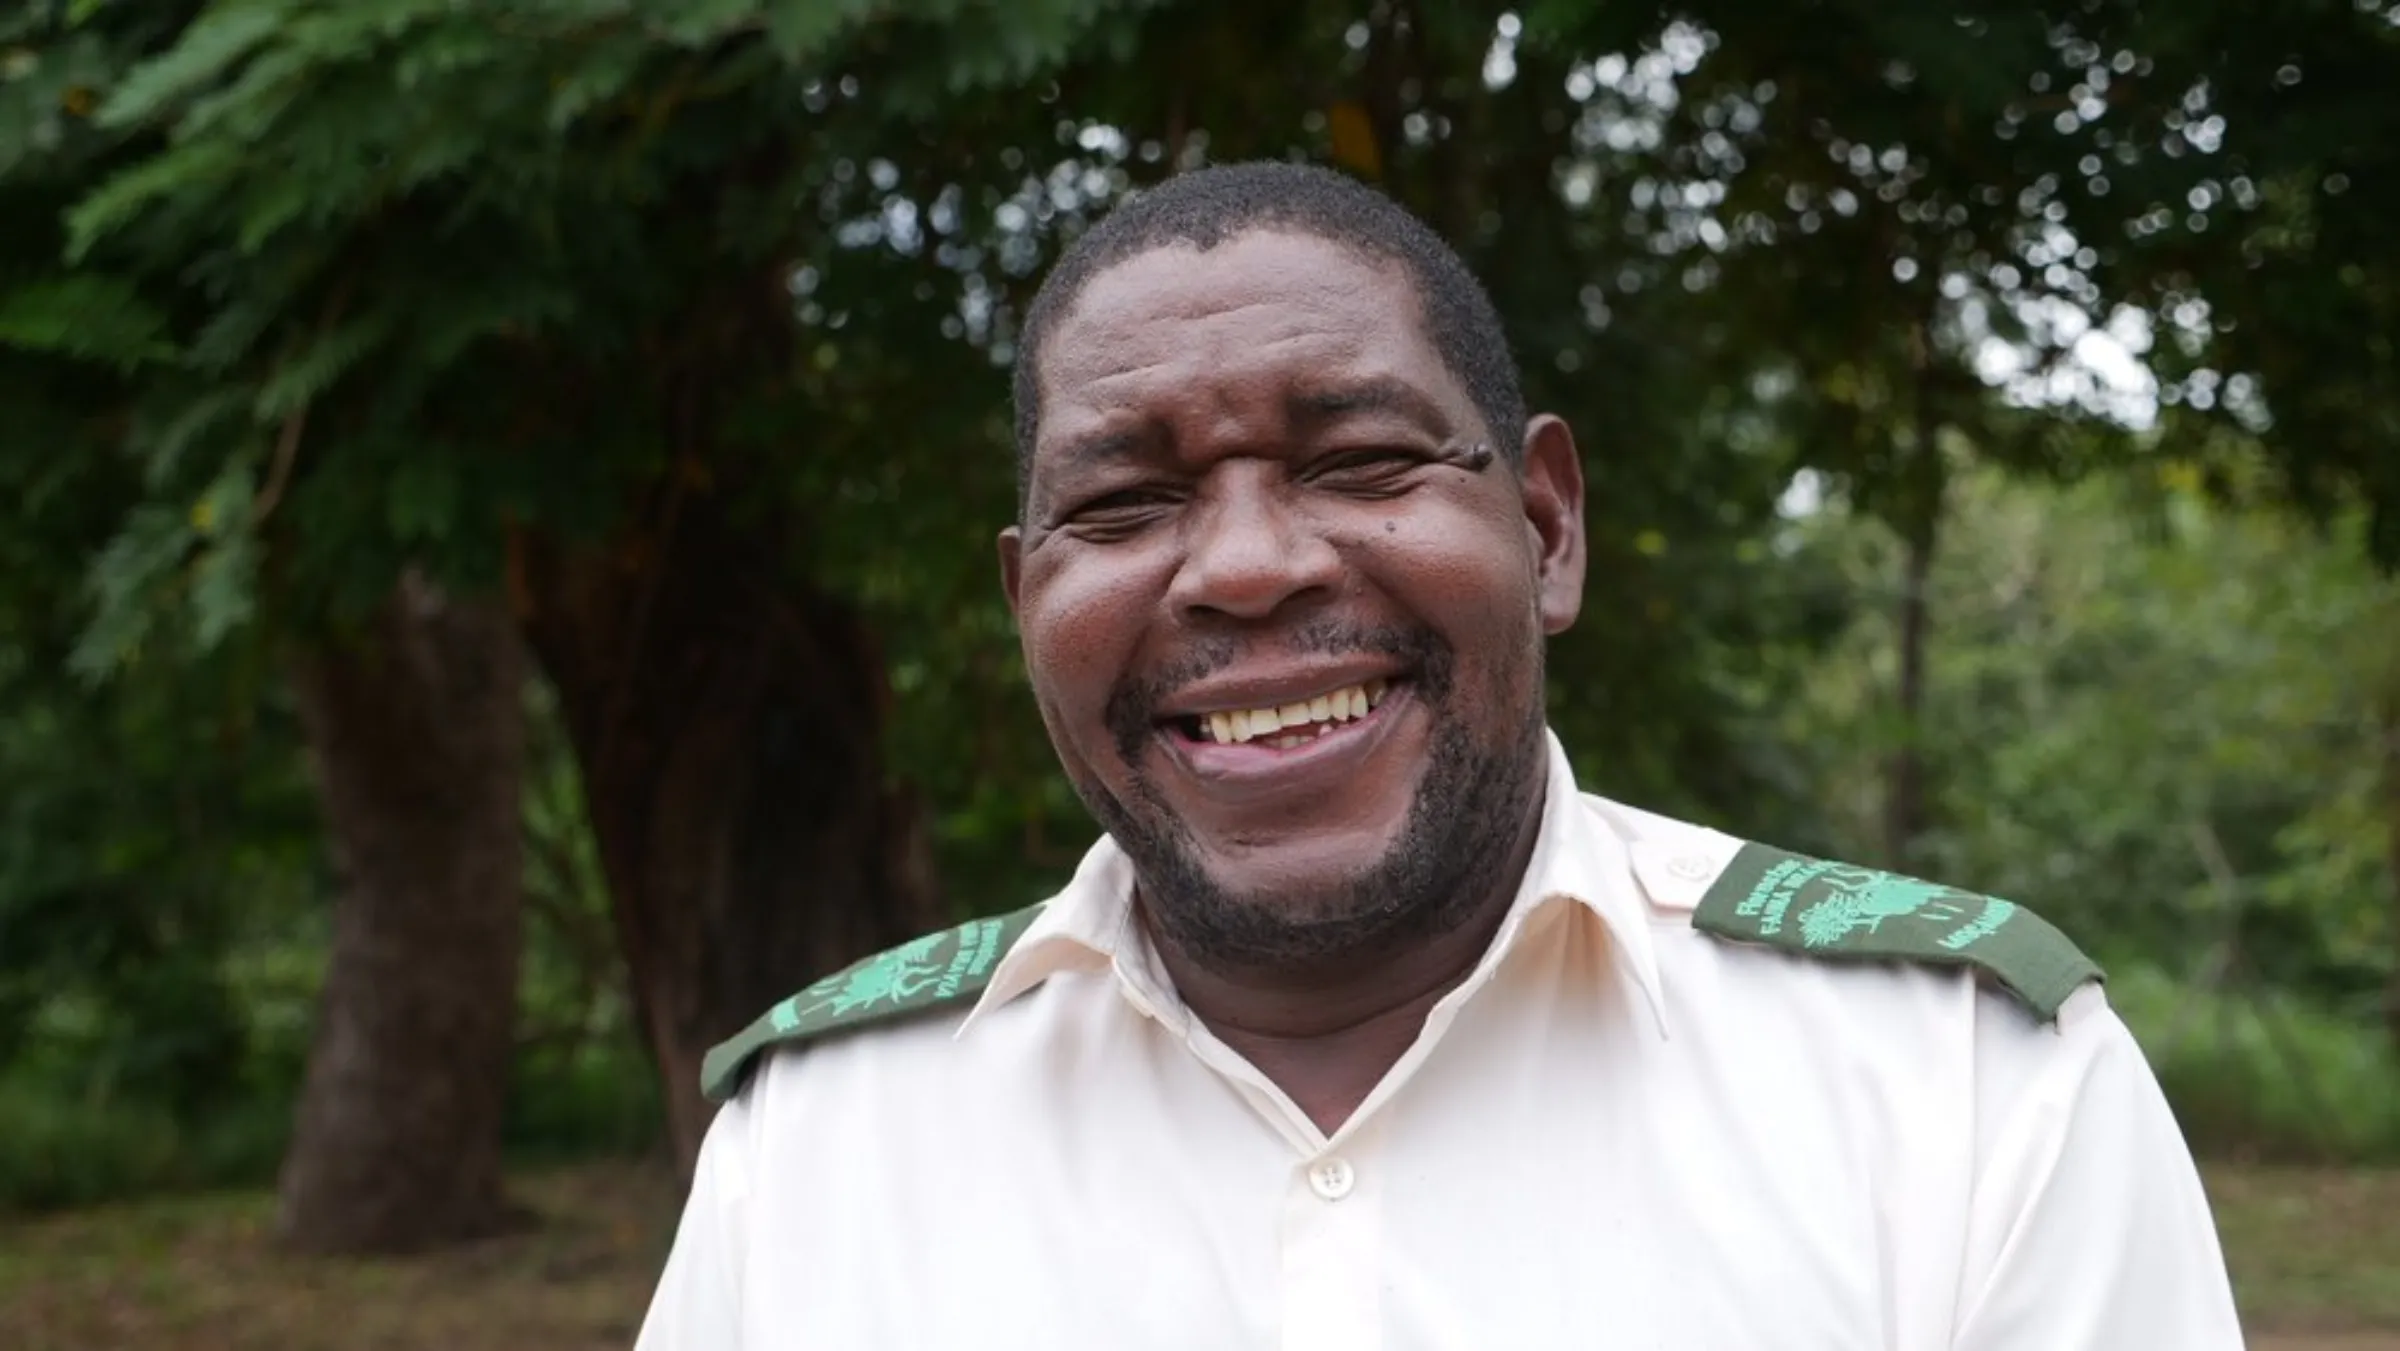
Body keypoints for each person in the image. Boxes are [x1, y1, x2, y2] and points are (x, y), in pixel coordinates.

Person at [634, 161, 2244, 1348]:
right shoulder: (823, 1142)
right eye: (1122, 504)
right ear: (1025, 594)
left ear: (1545, 526)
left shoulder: (1966, 1089)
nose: (1246, 567)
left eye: (1359, 458)